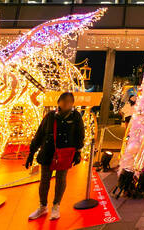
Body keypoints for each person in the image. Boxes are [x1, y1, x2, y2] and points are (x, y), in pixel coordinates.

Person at [26, 92, 85, 220]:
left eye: (69, 101)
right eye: (64, 101)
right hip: (48, 152)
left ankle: (56, 206)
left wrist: (78, 152)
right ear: (58, 102)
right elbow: (40, 133)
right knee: (44, 180)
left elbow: (80, 135)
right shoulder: (50, 116)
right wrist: (31, 152)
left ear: (73, 103)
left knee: (61, 180)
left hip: (65, 154)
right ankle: (42, 206)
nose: (66, 104)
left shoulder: (76, 117)